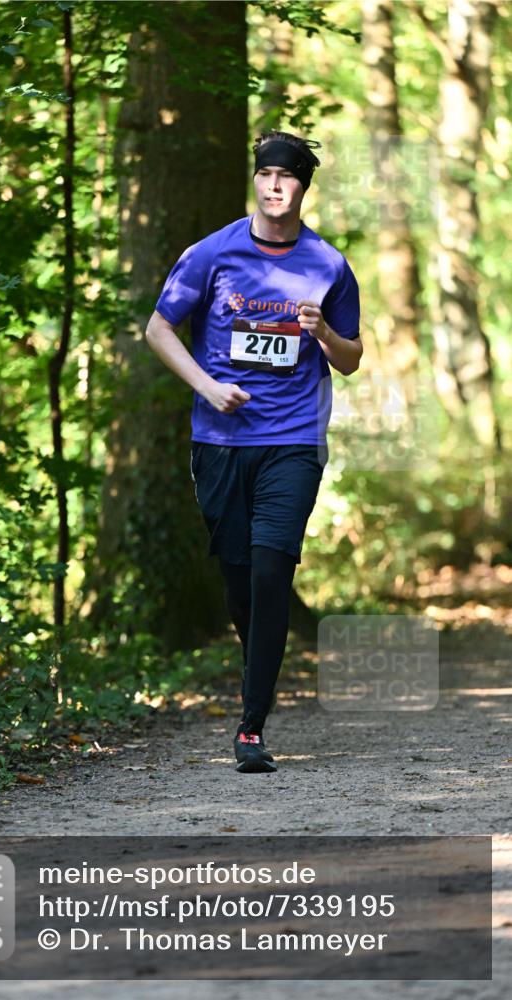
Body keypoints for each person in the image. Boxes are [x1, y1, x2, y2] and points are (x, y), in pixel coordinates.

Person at [145, 130, 362, 773]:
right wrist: (208, 387)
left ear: (302, 188)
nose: (274, 186)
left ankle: (250, 725)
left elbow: (350, 361)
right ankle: (258, 662)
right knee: (240, 583)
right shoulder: (211, 254)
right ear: (256, 182)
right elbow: (159, 328)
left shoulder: (328, 264)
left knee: (272, 572)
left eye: (287, 177)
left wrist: (322, 331)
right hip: (220, 441)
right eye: (266, 175)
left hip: (293, 440)